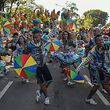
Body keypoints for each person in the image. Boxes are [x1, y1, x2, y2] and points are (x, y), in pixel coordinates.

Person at [27, 29, 53, 105]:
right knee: (42, 83)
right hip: (36, 67)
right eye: (34, 37)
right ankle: (46, 98)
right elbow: (25, 54)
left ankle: (39, 92)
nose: (35, 39)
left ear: (40, 36)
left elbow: (53, 32)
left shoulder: (43, 42)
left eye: (37, 37)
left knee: (49, 80)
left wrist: (54, 21)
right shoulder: (29, 45)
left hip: (43, 65)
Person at [84, 35, 110, 105]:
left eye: (102, 40)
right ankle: (88, 99)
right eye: (99, 40)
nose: (101, 41)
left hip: (103, 68)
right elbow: (85, 61)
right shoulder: (93, 52)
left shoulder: (106, 45)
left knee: (105, 83)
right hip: (94, 69)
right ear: (95, 42)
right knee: (97, 85)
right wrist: (77, 69)